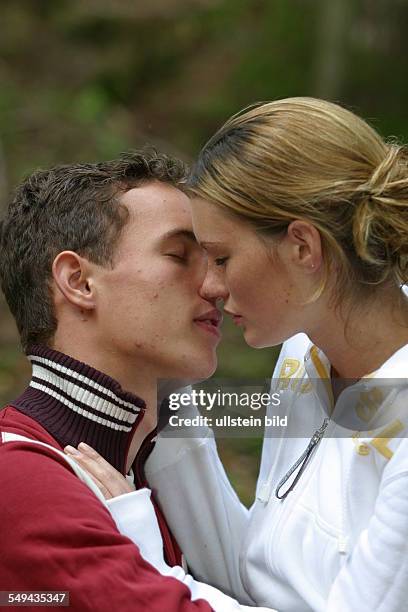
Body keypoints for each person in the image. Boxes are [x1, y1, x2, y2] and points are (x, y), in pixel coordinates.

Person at [72, 98, 408, 611]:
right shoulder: (302, 354)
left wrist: (140, 549)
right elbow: (264, 571)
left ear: (303, 247)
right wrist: (158, 383)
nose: (209, 285)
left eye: (222, 257)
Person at [0, 151, 273, 611]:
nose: (215, 286)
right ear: (78, 282)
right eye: (179, 256)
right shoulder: (18, 478)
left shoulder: (146, 471)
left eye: (212, 258)